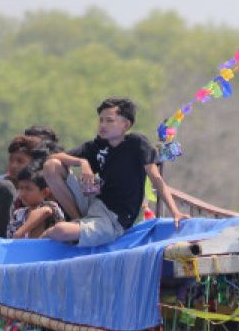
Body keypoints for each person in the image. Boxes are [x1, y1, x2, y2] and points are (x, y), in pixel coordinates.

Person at [41, 97, 187, 246]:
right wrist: (82, 162)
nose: (103, 125)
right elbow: (53, 157)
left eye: (109, 121)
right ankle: (77, 218)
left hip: (113, 220)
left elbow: (156, 179)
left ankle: (46, 237)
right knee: (51, 166)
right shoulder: (97, 145)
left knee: (59, 231)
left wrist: (175, 212)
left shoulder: (136, 144)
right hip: (93, 202)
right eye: (101, 120)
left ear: (125, 124)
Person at [5, 163, 66, 239]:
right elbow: (10, 238)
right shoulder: (18, 214)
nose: (23, 193)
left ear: (44, 192)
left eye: (28, 189)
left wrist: (19, 233)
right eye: (21, 188)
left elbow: (45, 211)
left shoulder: (51, 206)